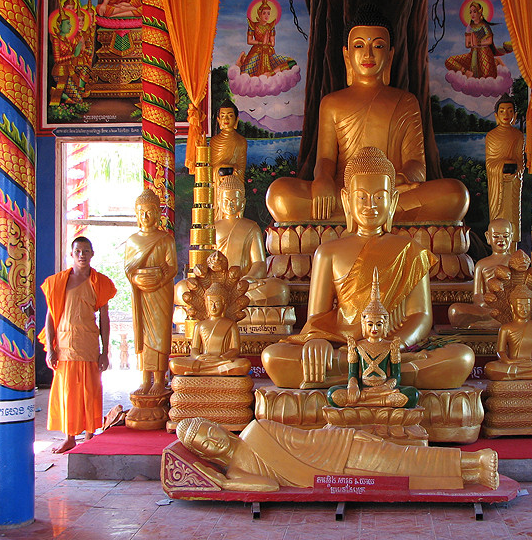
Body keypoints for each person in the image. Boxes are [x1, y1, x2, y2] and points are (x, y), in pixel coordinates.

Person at [261, 147, 475, 390]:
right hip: (344, 347)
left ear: (393, 200)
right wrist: (317, 339)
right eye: (361, 197)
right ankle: (380, 375)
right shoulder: (328, 252)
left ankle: (353, 375)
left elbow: (421, 316)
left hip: (395, 348)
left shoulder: (410, 249)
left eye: (379, 197)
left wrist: (392, 347)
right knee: (274, 356)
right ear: (346, 200)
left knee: (460, 357)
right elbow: (317, 318)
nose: (370, 205)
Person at [265, 4, 468, 223]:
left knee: (454, 193)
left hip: (389, 195)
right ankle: (380, 223)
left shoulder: (406, 102)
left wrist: (399, 178)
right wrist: (323, 179)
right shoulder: (332, 103)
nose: (368, 54)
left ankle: (341, 226)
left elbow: (417, 164)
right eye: (359, 45)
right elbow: (325, 158)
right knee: (280, 194)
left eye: (378, 46)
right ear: (347, 54)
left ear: (390, 56)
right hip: (346, 195)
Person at [176, 417, 499, 491]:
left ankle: (475, 460)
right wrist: (222, 483)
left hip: (339, 450)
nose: (212, 440)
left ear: (219, 427)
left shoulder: (256, 429)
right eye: (203, 444)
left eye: (210, 431)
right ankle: (472, 472)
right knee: (403, 475)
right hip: (332, 475)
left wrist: (342, 435)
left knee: (402, 459)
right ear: (202, 453)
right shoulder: (236, 473)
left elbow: (305, 438)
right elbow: (268, 487)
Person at [40, 236, 116, 453]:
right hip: (64, 343)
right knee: (68, 392)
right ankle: (70, 436)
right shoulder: (58, 282)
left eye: (86, 251)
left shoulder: (100, 282)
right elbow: (51, 316)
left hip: (89, 343)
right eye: (78, 251)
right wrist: (50, 347)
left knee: (91, 390)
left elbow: (104, 319)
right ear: (71, 254)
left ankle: (90, 434)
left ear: (92, 254)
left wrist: (105, 351)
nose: (82, 255)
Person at [327, 268, 418, 408]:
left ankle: (364, 402)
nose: (374, 329)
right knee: (332, 394)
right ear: (364, 324)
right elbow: (353, 373)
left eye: (378, 324)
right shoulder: (358, 346)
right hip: (362, 389)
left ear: (385, 324)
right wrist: (352, 386)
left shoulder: (391, 346)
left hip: (383, 390)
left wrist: (387, 386)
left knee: (412, 395)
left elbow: (396, 375)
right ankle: (377, 402)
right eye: (370, 324)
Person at [124, 189, 177, 395]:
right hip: (141, 294)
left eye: (149, 212)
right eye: (141, 212)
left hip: (161, 292)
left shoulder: (166, 239)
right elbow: (128, 269)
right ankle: (145, 378)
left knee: (160, 334)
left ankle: (159, 379)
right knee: (144, 335)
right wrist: (138, 278)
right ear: (136, 215)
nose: (145, 217)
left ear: (157, 214)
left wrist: (159, 279)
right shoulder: (132, 241)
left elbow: (172, 267)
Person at [213, 176, 288, 305]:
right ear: (219, 202)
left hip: (244, 286)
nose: (229, 204)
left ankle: (226, 301)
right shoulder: (212, 228)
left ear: (243, 202)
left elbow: (259, 263)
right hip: (217, 286)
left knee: (280, 289)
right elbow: (204, 261)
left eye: (234, 200)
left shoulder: (251, 227)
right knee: (182, 289)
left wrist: (248, 278)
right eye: (225, 200)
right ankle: (222, 300)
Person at [169, 283, 250, 377]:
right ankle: (216, 371)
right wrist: (198, 357)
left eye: (217, 303)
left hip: (222, 361)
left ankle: (204, 372)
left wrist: (222, 357)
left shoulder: (231, 325)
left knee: (244, 364)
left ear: (224, 305)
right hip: (203, 361)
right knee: (174, 363)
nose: (213, 307)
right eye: (211, 303)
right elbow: (194, 349)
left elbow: (235, 349)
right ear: (206, 304)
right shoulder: (199, 325)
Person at [448, 218, 515, 329]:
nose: (501, 240)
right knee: (455, 311)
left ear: (511, 237)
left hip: (509, 308)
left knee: (521, 310)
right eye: (496, 236)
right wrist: (484, 302)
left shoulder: (515, 262)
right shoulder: (482, 264)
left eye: (505, 236)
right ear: (488, 237)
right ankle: (496, 322)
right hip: (487, 308)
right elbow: (477, 295)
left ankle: (494, 322)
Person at [485, 96, 524, 236]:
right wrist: (502, 165)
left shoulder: (518, 136)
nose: (506, 115)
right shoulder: (491, 136)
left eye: (509, 111)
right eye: (502, 111)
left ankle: (513, 251)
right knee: (498, 218)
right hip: (497, 183)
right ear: (496, 115)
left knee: (513, 215)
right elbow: (489, 163)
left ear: (515, 115)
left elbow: (521, 161)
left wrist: (516, 168)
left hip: (513, 184)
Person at [236, 0, 296, 77]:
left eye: (268, 13)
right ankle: (243, 60)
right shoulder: (253, 25)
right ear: (259, 14)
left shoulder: (270, 26)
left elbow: (272, 43)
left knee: (292, 63)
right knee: (243, 74)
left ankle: (271, 73)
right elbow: (249, 41)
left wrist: (266, 44)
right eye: (264, 13)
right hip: (256, 52)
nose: (267, 16)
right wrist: (261, 43)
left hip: (268, 52)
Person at [445, 1, 501, 79]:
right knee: (449, 61)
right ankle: (467, 72)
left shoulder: (484, 25)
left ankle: (494, 62)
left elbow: (489, 41)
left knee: (487, 76)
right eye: (470, 12)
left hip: (485, 53)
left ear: (479, 13)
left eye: (474, 11)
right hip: (473, 54)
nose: (472, 14)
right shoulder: (469, 27)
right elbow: (467, 45)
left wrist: (478, 43)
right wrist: (472, 43)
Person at [209, 101, 247, 214]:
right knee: (217, 212)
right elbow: (211, 167)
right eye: (223, 116)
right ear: (218, 120)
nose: (226, 119)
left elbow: (241, 168)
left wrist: (233, 170)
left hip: (234, 184)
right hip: (218, 183)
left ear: (236, 119)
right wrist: (221, 169)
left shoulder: (241, 141)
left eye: (230, 116)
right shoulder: (214, 141)